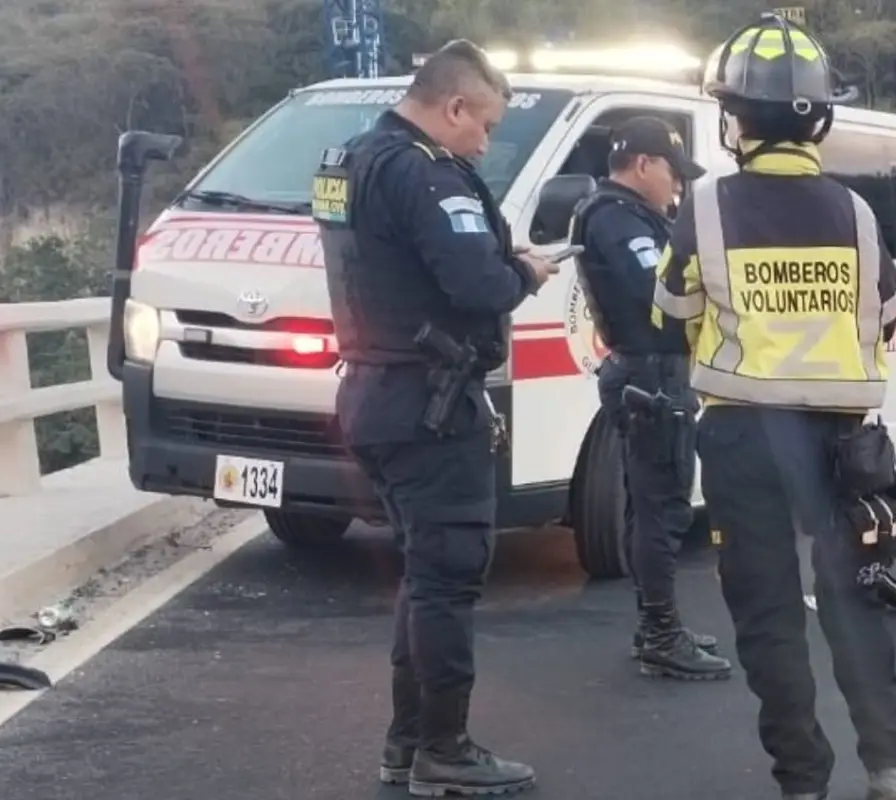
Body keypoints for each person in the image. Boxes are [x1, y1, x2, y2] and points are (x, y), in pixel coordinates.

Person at [650, 14, 896, 800]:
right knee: (854, 602)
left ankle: (803, 781)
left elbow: (667, 311)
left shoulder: (705, 206)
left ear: (732, 118)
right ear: (822, 117)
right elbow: (886, 312)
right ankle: (893, 767)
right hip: (846, 442)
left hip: (744, 436)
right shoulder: (857, 214)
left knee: (770, 614)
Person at [311, 39, 559, 797]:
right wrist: (522, 268)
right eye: (483, 126)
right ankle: (444, 751)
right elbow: (477, 284)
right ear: (453, 107)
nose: (484, 143)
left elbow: (392, 265)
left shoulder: (345, 161)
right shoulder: (426, 174)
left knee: (424, 578)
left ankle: (408, 743)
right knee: (448, 579)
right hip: (430, 404)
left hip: (374, 391)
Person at [568, 117, 731, 681]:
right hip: (652, 376)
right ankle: (662, 633)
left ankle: (656, 625)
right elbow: (658, 293)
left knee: (651, 507)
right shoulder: (617, 218)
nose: (679, 188)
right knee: (662, 509)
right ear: (643, 164)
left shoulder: (625, 214)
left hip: (651, 373)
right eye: (673, 174)